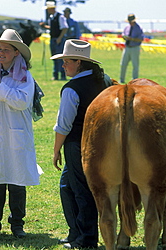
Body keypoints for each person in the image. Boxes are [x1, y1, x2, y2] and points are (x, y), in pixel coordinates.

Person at [0, 29, 42, 240]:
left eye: (5, 50)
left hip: (16, 136)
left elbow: (22, 102)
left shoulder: (25, 77)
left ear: (16, 53)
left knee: (17, 182)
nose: (1, 53)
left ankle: (17, 225)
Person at [51, 39, 113, 249]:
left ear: (79, 62)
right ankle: (75, 232)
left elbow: (64, 125)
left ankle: (86, 240)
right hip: (103, 145)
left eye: (67, 61)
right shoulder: (105, 80)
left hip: (77, 144)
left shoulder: (71, 88)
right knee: (67, 186)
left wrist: (56, 150)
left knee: (81, 190)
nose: (63, 65)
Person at [40, 1, 68, 80]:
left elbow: (65, 28)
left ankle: (62, 75)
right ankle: (55, 75)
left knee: (60, 58)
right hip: (53, 39)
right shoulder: (51, 17)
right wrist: (45, 26)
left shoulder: (60, 17)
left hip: (58, 40)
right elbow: (52, 27)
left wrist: (60, 38)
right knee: (54, 58)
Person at [119, 13, 144, 83]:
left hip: (135, 48)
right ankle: (121, 79)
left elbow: (141, 39)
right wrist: (124, 37)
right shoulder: (127, 27)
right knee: (123, 64)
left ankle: (134, 80)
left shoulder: (139, 28)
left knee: (135, 65)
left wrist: (132, 39)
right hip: (127, 47)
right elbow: (124, 34)